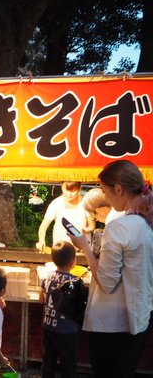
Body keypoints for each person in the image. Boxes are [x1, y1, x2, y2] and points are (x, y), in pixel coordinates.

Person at [69, 160, 153, 378]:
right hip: (139, 317)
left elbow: (106, 282)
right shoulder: (146, 223)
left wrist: (84, 245)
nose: (105, 197)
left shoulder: (119, 226)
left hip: (112, 325)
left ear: (118, 189)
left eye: (106, 191)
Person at [39, 241, 79, 378]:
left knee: (48, 361)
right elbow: (78, 307)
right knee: (68, 364)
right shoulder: (75, 282)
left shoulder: (47, 277)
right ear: (73, 262)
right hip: (67, 330)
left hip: (48, 327)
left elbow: (41, 299)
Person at [36, 181, 93, 252]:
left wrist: (85, 231)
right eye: (67, 190)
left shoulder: (86, 203)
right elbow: (44, 226)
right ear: (62, 187)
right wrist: (41, 240)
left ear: (79, 189)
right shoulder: (56, 203)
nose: (69, 194)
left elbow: (92, 226)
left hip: (82, 249)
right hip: (60, 249)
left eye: (73, 191)